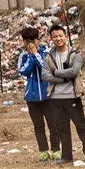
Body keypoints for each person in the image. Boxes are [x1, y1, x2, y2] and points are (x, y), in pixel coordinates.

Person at [41, 24, 85, 164]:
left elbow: (74, 71)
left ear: (66, 36)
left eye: (60, 36)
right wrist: (64, 78)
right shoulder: (48, 56)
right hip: (55, 98)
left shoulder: (74, 54)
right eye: (55, 36)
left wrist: (57, 73)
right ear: (51, 38)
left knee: (81, 125)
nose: (58, 39)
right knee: (62, 128)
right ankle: (66, 156)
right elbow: (45, 76)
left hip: (72, 96)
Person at [18, 27, 59, 161]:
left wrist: (36, 54)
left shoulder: (47, 52)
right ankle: (43, 151)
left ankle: (56, 150)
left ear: (38, 40)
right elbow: (23, 71)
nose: (30, 44)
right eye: (27, 41)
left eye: (33, 41)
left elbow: (46, 68)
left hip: (49, 95)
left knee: (53, 124)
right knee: (38, 126)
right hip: (32, 97)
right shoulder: (23, 55)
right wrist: (30, 57)